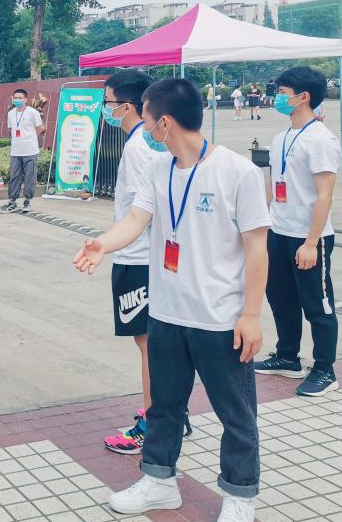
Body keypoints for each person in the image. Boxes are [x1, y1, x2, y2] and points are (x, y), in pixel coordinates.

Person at [73, 78, 269, 522]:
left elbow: (257, 247)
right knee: (164, 406)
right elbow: (136, 219)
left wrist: (251, 315)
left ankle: (240, 495)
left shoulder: (237, 172)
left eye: (145, 118)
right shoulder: (158, 169)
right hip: (165, 313)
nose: (142, 127)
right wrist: (103, 244)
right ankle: (160, 482)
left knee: (236, 414)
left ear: (164, 122)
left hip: (219, 319)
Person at [254, 67, 340, 396]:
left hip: (309, 237)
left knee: (317, 305)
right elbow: (277, 186)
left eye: (282, 92)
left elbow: (324, 195)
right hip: (279, 231)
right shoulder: (282, 138)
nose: (276, 97)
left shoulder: (321, 140)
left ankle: (325, 369)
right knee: (281, 299)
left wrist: (311, 242)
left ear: (302, 97)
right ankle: (288, 357)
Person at [98, 70, 167, 454]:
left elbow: (149, 211)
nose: (103, 108)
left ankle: (154, 423)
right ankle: (167, 413)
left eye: (107, 101)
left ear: (126, 106)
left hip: (139, 258)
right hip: (137, 254)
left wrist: (106, 245)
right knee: (149, 343)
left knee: (148, 344)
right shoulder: (142, 142)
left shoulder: (140, 148)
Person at [1, 88, 45, 213]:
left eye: (20, 98)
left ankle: (27, 201)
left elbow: (40, 128)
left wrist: (30, 139)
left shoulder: (32, 112)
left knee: (30, 177)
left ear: (25, 99)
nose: (17, 100)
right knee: (14, 177)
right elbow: (11, 130)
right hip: (15, 151)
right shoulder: (11, 113)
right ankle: (12, 202)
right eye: (15, 98)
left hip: (30, 151)